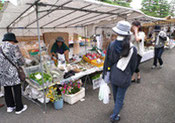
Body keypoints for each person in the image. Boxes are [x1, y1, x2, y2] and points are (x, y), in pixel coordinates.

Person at [103, 21, 137, 122]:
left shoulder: (112, 45)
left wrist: (106, 73)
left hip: (113, 74)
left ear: (117, 32)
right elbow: (133, 66)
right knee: (120, 97)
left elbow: (107, 61)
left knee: (115, 94)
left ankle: (117, 107)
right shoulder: (132, 48)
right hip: (124, 75)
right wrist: (129, 75)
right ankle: (114, 116)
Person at [0, 33, 27, 114]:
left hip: (2, 72)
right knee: (16, 89)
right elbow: (20, 60)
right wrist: (23, 62)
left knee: (7, 89)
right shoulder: (14, 47)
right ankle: (19, 108)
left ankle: (10, 106)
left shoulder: (0, 47)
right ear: (12, 40)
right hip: (12, 72)